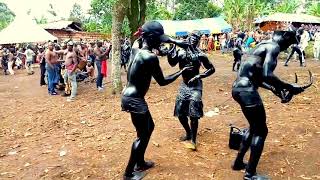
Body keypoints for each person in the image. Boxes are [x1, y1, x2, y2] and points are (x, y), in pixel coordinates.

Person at [231, 30, 312, 180]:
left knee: (254, 126)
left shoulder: (260, 46)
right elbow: (268, 74)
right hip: (248, 91)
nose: (287, 47)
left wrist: (275, 89)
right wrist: (289, 86)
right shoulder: (273, 46)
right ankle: (250, 174)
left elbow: (258, 77)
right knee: (261, 131)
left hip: (238, 88)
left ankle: (237, 163)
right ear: (284, 38)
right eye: (288, 43)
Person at [121, 21, 191, 180]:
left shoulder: (135, 48)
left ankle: (140, 162)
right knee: (142, 135)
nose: (161, 41)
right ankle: (128, 173)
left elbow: (147, 37)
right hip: (134, 100)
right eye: (159, 38)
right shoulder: (150, 57)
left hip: (130, 96)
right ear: (152, 38)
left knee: (149, 127)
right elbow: (162, 81)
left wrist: (174, 41)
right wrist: (181, 71)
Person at [167, 31, 215, 150]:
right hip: (184, 85)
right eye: (192, 37)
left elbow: (211, 69)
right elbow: (172, 63)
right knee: (180, 112)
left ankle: (193, 139)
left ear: (199, 40)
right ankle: (188, 132)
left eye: (196, 38)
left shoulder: (200, 55)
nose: (194, 39)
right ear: (188, 38)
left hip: (196, 85)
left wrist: (199, 76)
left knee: (194, 114)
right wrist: (171, 49)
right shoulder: (181, 52)